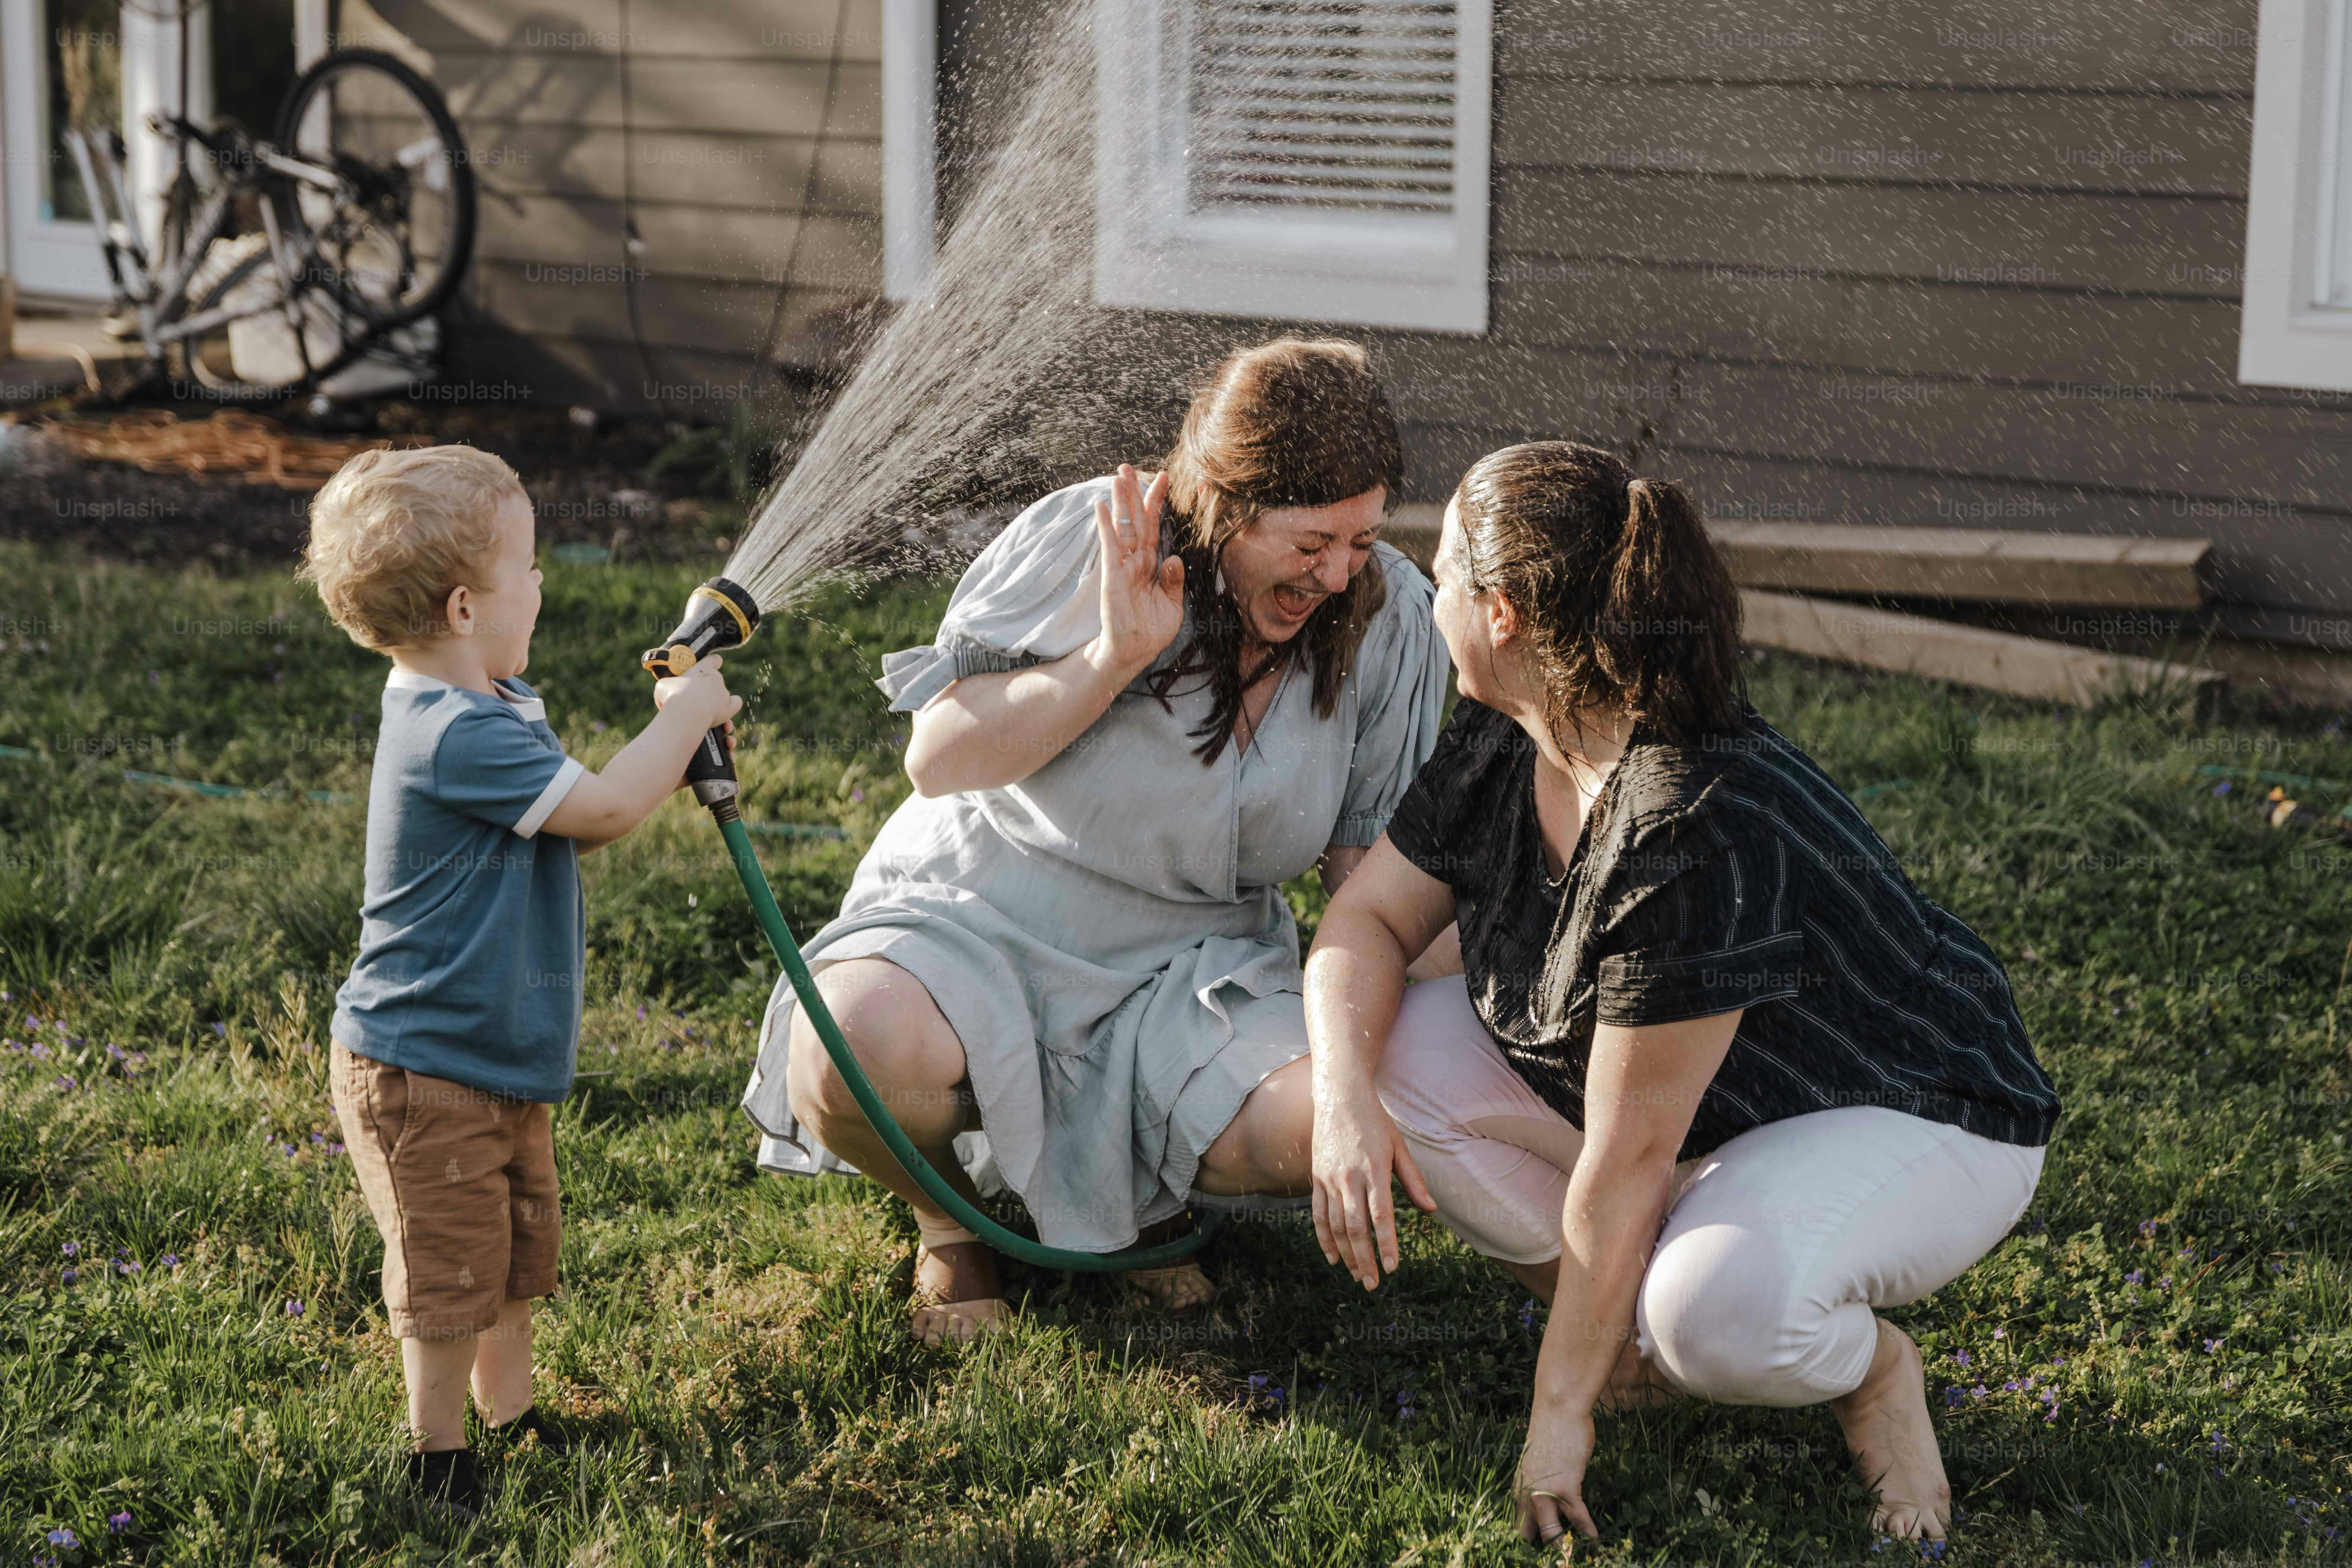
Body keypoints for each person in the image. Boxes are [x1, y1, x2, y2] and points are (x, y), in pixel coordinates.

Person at [1303, 441, 2061, 1545]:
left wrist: (1553, 1425)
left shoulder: (1684, 824)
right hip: (1697, 1123)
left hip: (1905, 1112)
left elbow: (1623, 1167)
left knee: (1716, 1319)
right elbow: (1367, 920)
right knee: (1395, 1055)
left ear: (1502, 609)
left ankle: (1867, 1369)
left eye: (1439, 569)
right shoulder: (1510, 726)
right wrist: (1339, 1098)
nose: (1422, 595)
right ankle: (1619, 1344)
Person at [739, 338, 1453, 1341]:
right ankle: (950, 1222)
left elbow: (1363, 878)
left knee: (1333, 1119)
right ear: (1225, 504)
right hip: (984, 915)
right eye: (1308, 543)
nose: (1337, 573)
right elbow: (939, 758)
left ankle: (1141, 1200)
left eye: (1361, 538)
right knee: (847, 1047)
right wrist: (1112, 657)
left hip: (1192, 968)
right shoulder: (1097, 536)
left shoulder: (1388, 618)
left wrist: (1508, 992)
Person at [302, 444, 742, 1514]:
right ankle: (437, 1452)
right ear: (464, 605)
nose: (543, 583)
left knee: (509, 1257)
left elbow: (570, 812)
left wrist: (673, 737)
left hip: (494, 1055)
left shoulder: (489, 699)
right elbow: (598, 811)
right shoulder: (449, 731)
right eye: (529, 565)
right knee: (451, 1274)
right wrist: (680, 724)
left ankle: (512, 1415)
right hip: (424, 1063)